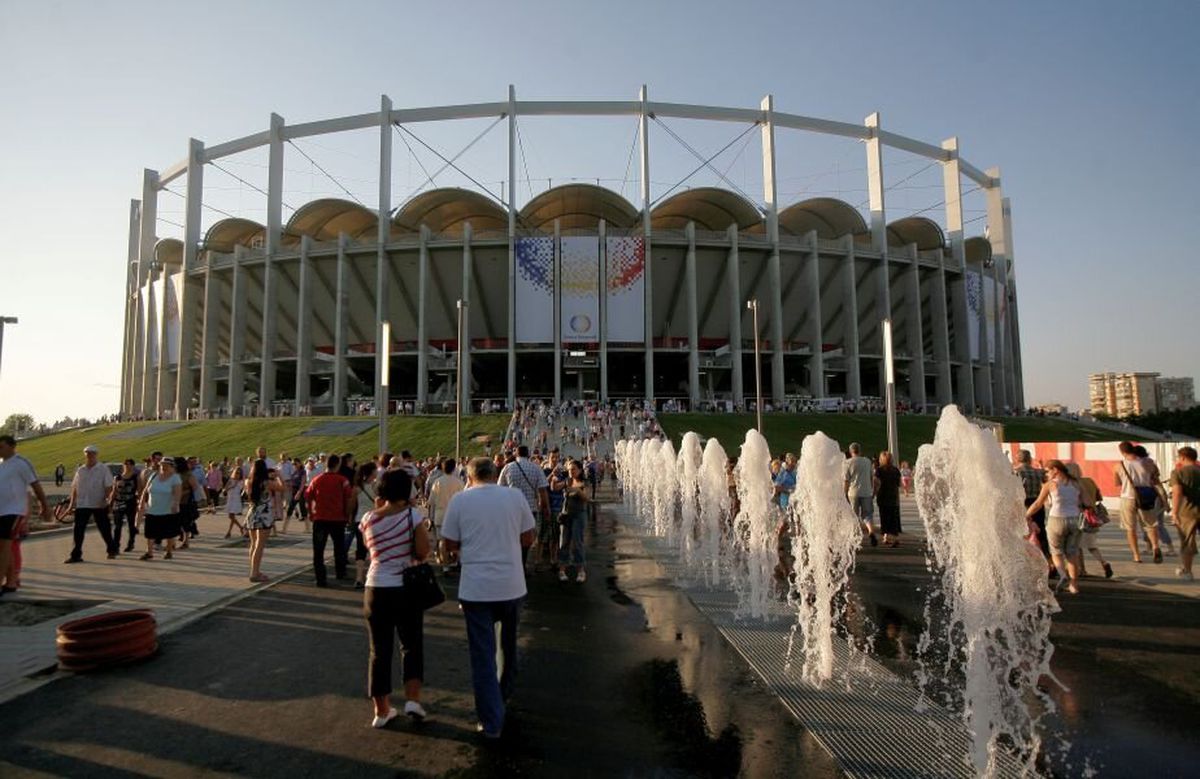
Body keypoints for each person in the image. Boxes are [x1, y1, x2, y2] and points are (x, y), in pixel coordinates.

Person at [441, 457, 536, 739]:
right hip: (511, 585)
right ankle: (501, 695)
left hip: (476, 588)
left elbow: (450, 544)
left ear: (469, 477)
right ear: (495, 474)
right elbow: (528, 537)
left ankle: (491, 719)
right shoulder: (514, 496)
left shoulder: (461, 501)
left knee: (482, 655)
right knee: (508, 646)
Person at [361, 468, 432, 727]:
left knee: (378, 650)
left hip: (375, 586)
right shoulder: (413, 516)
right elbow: (423, 552)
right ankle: (412, 699)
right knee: (411, 644)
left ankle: (382, 711)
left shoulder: (368, 518)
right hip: (405, 586)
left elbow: (372, 549)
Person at [0, 435, 52, 593]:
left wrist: (45, 505)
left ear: (12, 446)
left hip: (14, 511)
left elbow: (35, 485)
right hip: (2, 511)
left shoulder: (21, 463)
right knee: (4, 548)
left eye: (1, 446)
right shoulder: (2, 465)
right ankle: (11, 582)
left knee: (4, 546)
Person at [1026, 460, 1083, 595]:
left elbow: (1038, 504)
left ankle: (1062, 574)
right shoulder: (1076, 484)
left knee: (1056, 551)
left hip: (1056, 519)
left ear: (1055, 470)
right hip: (1076, 519)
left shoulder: (1050, 485)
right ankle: (1074, 585)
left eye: (1047, 470)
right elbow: (1084, 502)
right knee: (1072, 553)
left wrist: (1026, 515)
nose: (1046, 473)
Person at [497, 445, 551, 568]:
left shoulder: (508, 467)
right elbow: (542, 490)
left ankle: (513, 562)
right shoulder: (536, 468)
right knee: (526, 540)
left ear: (516, 454)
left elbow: (500, 489)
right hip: (530, 509)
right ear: (528, 454)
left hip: (511, 509)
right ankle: (522, 563)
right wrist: (546, 507)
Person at [306, 453, 353, 587]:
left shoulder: (316, 480)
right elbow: (348, 499)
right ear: (337, 465)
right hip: (338, 519)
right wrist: (348, 515)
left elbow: (308, 496)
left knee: (318, 550)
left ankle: (321, 578)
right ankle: (340, 572)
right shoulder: (342, 480)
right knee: (339, 547)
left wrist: (311, 513)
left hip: (320, 519)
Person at [65, 445, 117, 563]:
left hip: (99, 504)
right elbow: (74, 488)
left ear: (96, 455)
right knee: (78, 530)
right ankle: (76, 554)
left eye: (92, 454)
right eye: (87, 454)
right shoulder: (80, 470)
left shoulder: (103, 469)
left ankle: (112, 549)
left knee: (104, 528)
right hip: (83, 504)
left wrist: (109, 502)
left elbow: (108, 486)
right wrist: (71, 504)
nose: (89, 456)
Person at [1115, 441, 1162, 564]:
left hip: (1127, 497)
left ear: (1122, 452)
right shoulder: (1148, 462)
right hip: (1146, 496)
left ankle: (1136, 555)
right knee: (1151, 524)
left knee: (1130, 528)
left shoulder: (1119, 465)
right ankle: (1155, 547)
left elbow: (1117, 483)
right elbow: (1156, 476)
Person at [1067, 462, 1113, 579]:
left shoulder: (1072, 484)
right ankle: (1104, 562)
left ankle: (1082, 569)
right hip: (1091, 516)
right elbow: (1099, 497)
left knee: (1077, 545)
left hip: (1079, 516)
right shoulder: (1089, 481)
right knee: (1091, 545)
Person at [244, 458, 282, 582]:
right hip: (264, 514)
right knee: (260, 545)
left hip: (252, 512)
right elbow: (283, 488)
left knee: (253, 543)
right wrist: (278, 475)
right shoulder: (266, 483)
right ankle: (254, 573)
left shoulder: (248, 481)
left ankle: (254, 569)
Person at [139, 457, 181, 561]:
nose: (163, 467)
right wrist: (141, 503)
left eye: (166, 465)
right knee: (150, 532)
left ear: (172, 466)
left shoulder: (175, 478)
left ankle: (169, 551)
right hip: (152, 509)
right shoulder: (154, 476)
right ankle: (149, 552)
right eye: (162, 464)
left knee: (169, 532)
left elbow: (177, 493)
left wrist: (175, 504)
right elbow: (145, 490)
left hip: (167, 510)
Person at [1168, 446, 1199, 581]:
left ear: (1183, 457)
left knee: (1187, 542)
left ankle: (1187, 571)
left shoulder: (1178, 473)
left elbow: (1177, 493)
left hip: (1187, 512)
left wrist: (1174, 512)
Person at [1014, 450, 1050, 566]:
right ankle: (1048, 560)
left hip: (1023, 504)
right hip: (1038, 503)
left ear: (1017, 459)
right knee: (1041, 531)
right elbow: (1046, 480)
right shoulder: (1039, 473)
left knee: (1023, 532)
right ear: (1030, 459)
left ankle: (1028, 561)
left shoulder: (1015, 472)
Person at [557, 460, 591, 583]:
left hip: (578, 515)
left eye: (574, 469)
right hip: (566, 515)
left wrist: (577, 491)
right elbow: (554, 487)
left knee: (578, 542)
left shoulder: (584, 483)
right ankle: (562, 569)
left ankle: (580, 570)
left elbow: (587, 497)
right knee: (564, 542)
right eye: (570, 469)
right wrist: (553, 477)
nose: (571, 472)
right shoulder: (567, 481)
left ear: (580, 470)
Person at [428, 458, 464, 571]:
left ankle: (445, 566)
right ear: (454, 468)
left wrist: (430, 516)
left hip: (440, 514)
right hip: (455, 515)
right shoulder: (459, 482)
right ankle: (456, 559)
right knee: (456, 539)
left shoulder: (438, 482)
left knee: (442, 541)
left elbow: (431, 501)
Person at [843, 443, 878, 546]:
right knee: (867, 515)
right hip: (866, 491)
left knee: (853, 515)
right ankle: (871, 531)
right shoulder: (867, 461)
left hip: (853, 493)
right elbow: (872, 477)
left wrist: (844, 493)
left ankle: (854, 536)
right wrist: (871, 490)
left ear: (851, 451)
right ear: (860, 450)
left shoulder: (847, 463)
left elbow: (846, 480)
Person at [351, 462, 378, 589]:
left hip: (359, 520)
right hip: (374, 520)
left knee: (360, 549)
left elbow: (351, 506)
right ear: (372, 472)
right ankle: (373, 575)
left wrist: (349, 518)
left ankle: (359, 577)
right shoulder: (376, 487)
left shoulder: (357, 488)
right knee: (374, 548)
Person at [110, 458, 141, 553]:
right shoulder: (117, 477)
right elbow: (114, 491)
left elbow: (139, 490)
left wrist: (140, 502)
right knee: (117, 526)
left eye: (130, 464)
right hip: (118, 502)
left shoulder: (136, 477)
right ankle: (116, 546)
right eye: (126, 464)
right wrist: (110, 503)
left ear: (133, 466)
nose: (127, 466)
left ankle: (131, 543)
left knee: (131, 525)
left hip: (131, 502)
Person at [874, 451, 903, 547]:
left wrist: (874, 493)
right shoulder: (896, 470)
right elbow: (899, 484)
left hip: (883, 496)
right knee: (894, 517)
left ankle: (888, 537)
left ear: (881, 459)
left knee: (884, 517)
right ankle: (892, 537)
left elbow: (876, 483)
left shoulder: (879, 470)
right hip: (893, 496)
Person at [223, 457, 247, 538]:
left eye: (239, 473)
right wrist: (230, 486)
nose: (237, 474)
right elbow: (225, 488)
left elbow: (242, 489)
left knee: (231, 516)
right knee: (232, 516)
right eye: (236, 473)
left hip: (236, 500)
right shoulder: (231, 480)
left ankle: (231, 531)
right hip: (230, 498)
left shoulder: (240, 482)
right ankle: (239, 529)